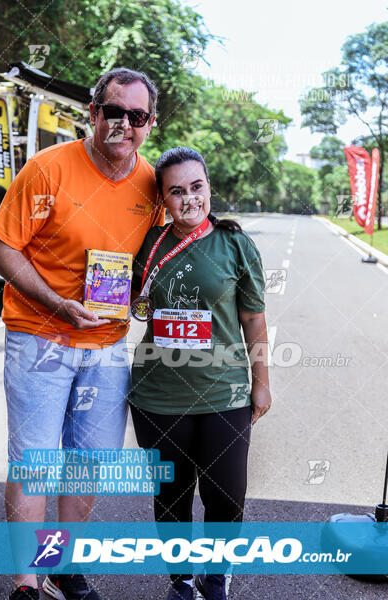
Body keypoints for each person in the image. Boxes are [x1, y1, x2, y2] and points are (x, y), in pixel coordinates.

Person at [0, 67, 164, 600]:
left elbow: (147, 261)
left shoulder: (151, 183)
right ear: (94, 114)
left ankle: (60, 564)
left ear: (149, 124)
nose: (125, 125)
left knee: (90, 467)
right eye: (116, 112)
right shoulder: (48, 170)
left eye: (138, 116)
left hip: (106, 346)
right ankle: (25, 584)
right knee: (35, 463)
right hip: (39, 338)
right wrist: (56, 302)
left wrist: (141, 295)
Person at [129, 147, 272, 600]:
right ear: (163, 200)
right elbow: (123, 303)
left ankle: (216, 576)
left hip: (224, 394)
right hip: (157, 396)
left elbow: (253, 318)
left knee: (226, 497)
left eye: (197, 186)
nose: (189, 198)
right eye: (176, 191)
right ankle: (181, 580)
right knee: (170, 497)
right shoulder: (147, 245)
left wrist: (262, 381)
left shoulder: (235, 244)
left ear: (209, 187)